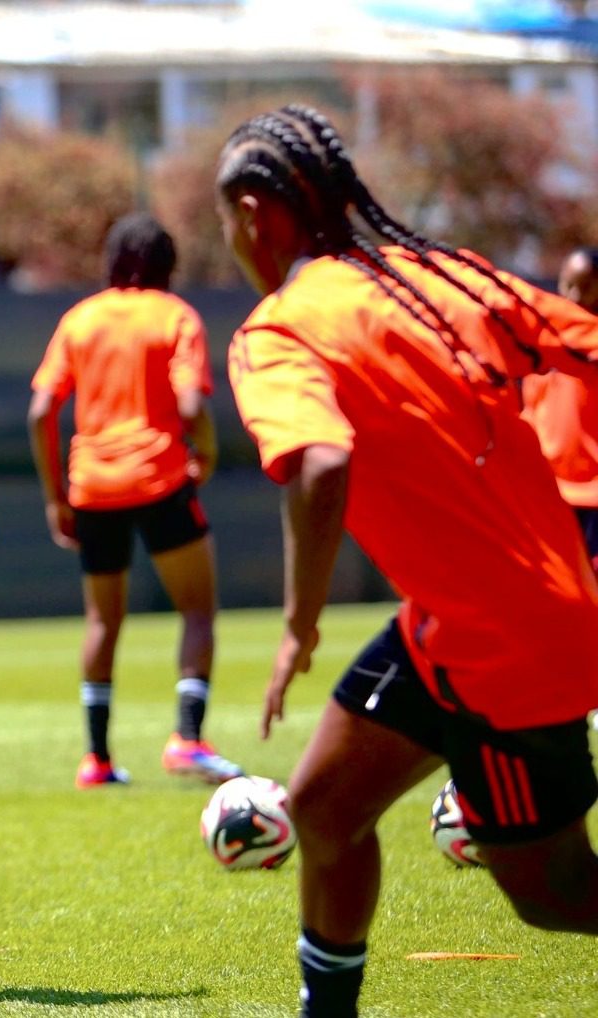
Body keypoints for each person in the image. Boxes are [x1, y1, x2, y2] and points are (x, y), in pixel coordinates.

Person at [216, 104, 598, 1018]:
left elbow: (320, 463)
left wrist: (299, 624)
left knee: (549, 895)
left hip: (498, 645)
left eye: (226, 216)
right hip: (470, 619)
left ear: (257, 213)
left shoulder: (277, 332)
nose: (228, 237)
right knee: (321, 807)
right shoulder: (437, 277)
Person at [27, 213, 242, 789]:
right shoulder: (175, 316)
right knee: (197, 610)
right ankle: (188, 740)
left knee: (103, 620)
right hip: (160, 479)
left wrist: (55, 498)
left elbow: (42, 410)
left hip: (92, 486)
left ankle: (96, 759)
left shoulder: (81, 319)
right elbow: (192, 403)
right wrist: (210, 451)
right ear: (167, 265)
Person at [522, 246, 598, 570]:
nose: (575, 295)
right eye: (569, 284)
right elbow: (532, 414)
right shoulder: (542, 345)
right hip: (552, 496)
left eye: (587, 285)